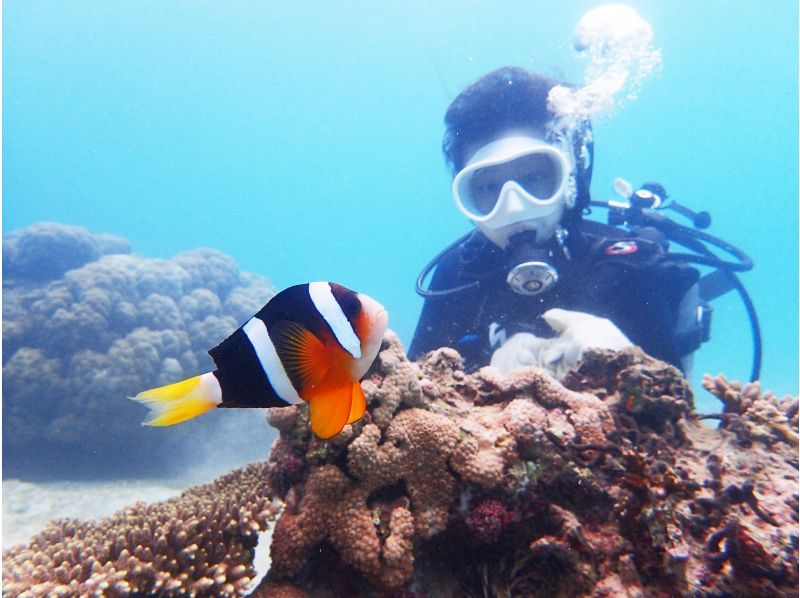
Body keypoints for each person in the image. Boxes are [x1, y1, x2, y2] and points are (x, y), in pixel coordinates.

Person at [409, 66, 701, 378]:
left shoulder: (629, 271)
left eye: (534, 177)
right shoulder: (458, 273)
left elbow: (678, 417)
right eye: (488, 188)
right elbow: (418, 384)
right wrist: (483, 365)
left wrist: (627, 363)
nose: (514, 206)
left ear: (571, 177)